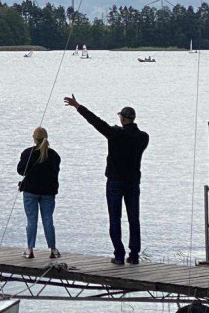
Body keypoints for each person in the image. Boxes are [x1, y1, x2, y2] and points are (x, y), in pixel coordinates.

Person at [64, 94, 149, 265]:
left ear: (123, 119)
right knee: (134, 218)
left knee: (115, 218)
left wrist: (78, 106)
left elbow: (96, 122)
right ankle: (134, 255)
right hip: (133, 182)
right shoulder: (143, 137)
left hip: (115, 182)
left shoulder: (115, 134)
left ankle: (119, 255)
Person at [17, 127, 61, 259]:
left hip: (30, 191)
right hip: (48, 193)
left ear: (34, 138)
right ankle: (53, 250)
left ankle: (30, 250)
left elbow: (21, 171)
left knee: (32, 220)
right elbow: (55, 174)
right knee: (48, 220)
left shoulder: (28, 153)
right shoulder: (54, 155)